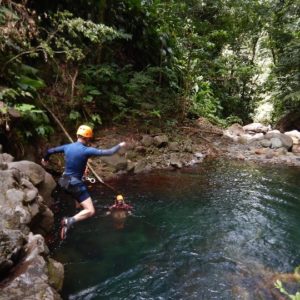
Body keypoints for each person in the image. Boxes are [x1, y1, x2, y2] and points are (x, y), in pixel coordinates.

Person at [41, 125, 126, 240]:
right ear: (88, 138)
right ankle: (69, 221)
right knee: (90, 211)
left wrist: (45, 159)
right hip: (74, 183)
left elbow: (50, 151)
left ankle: (78, 210)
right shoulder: (87, 150)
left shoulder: (67, 147)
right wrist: (119, 145)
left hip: (63, 181)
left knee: (78, 201)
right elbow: (109, 152)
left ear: (77, 135)